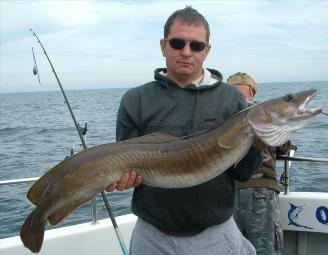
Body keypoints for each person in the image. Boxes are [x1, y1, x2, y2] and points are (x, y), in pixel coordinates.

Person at [107, 7, 264, 254]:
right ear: (163, 45)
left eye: (196, 46)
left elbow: (244, 174)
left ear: (207, 50)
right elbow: (124, 166)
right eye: (178, 43)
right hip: (152, 236)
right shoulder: (135, 100)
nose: (186, 52)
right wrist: (123, 178)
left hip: (217, 233)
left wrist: (260, 143)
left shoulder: (232, 100)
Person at [227, 72, 294, 255]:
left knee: (233, 248)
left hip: (228, 191)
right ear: (251, 91)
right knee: (264, 248)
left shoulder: (224, 118)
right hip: (261, 189)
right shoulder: (267, 115)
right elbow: (284, 147)